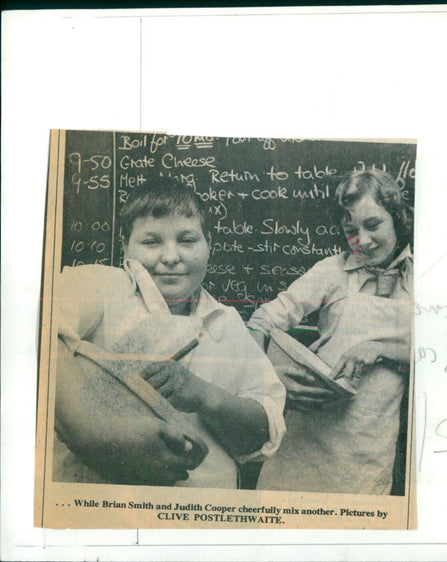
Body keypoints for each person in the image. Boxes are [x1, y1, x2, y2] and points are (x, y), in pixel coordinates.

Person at [53, 181, 286, 488]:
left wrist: (203, 395)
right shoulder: (103, 285)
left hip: (201, 519)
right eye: (151, 242)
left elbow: (263, 429)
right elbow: (37, 329)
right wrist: (101, 437)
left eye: (187, 240)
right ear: (125, 246)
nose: (171, 256)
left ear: (209, 244)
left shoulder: (226, 322)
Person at [248, 169, 413, 495]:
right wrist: (270, 380)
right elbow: (261, 320)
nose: (362, 241)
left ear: (397, 217)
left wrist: (379, 349)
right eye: (351, 231)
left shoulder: (423, 280)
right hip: (301, 447)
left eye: (373, 224)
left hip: (366, 455)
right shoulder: (333, 271)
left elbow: (441, 356)